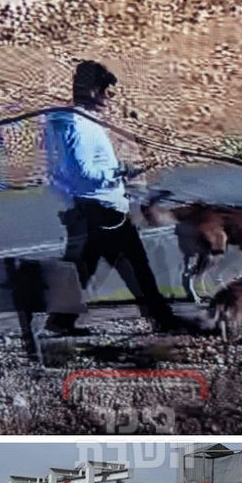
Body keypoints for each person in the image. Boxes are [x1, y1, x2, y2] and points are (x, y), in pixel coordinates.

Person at [43, 60, 194, 335]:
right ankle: (164, 321)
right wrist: (121, 171)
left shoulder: (76, 122)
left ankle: (61, 321)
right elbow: (83, 172)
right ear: (93, 91)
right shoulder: (80, 126)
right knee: (137, 267)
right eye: (108, 93)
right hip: (103, 208)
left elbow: (67, 172)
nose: (111, 100)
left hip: (96, 205)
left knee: (89, 267)